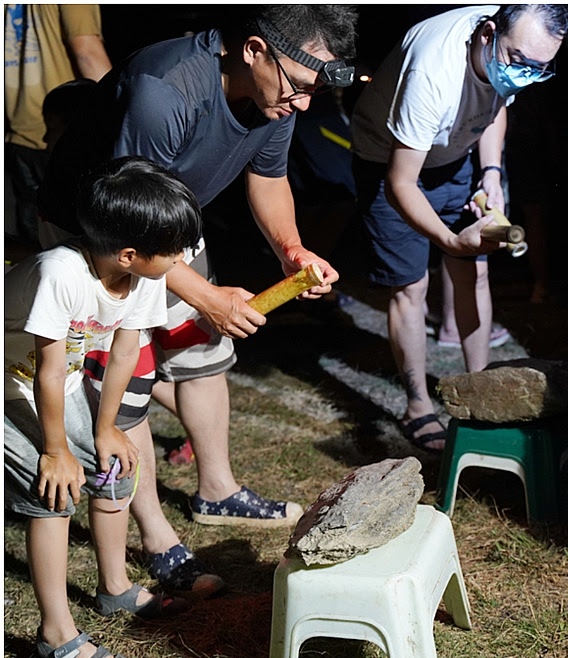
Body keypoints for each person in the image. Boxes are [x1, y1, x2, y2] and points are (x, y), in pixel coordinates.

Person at [37, 5, 359, 598]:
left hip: (173, 224)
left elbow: (268, 176)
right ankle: (157, 536)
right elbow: (129, 217)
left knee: (202, 357)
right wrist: (206, 295)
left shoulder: (278, 95)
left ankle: (217, 489)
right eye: (300, 86)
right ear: (254, 50)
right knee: (125, 384)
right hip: (103, 237)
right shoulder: (163, 92)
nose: (305, 105)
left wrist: (291, 249)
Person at [5, 157, 201, 658]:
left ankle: (115, 587)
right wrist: (55, 451)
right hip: (10, 387)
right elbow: (46, 372)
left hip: (53, 382)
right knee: (55, 490)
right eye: (174, 249)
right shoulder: (59, 274)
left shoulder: (145, 275)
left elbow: (123, 348)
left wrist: (107, 426)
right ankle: (56, 634)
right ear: (131, 253)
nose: (182, 257)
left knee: (116, 467)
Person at [350, 4, 568, 452]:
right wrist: (451, 240)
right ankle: (418, 408)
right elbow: (400, 183)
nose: (525, 74)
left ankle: (481, 392)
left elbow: (496, 106)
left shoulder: (519, 46)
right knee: (411, 287)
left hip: (456, 153)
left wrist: (491, 171)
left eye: (539, 70)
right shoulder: (433, 74)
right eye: (519, 63)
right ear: (487, 34)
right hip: (388, 160)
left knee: (476, 271)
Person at [4, 4, 112, 249]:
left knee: (35, 236)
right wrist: (118, 115)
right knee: (77, 240)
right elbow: (87, 53)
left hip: (18, 125)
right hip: (65, 132)